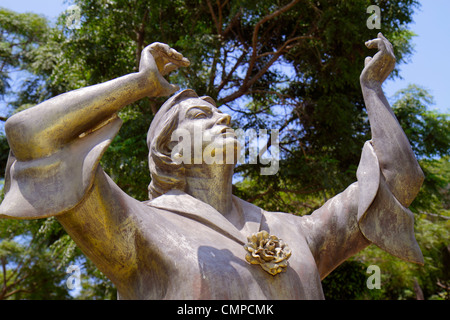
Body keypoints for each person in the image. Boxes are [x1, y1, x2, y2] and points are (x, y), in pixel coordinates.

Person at [0, 33, 424, 299]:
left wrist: (372, 89)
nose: (224, 118)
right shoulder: (136, 224)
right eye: (202, 116)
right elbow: (33, 138)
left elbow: (398, 180)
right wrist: (141, 84)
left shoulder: (297, 230)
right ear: (169, 150)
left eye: (223, 114)